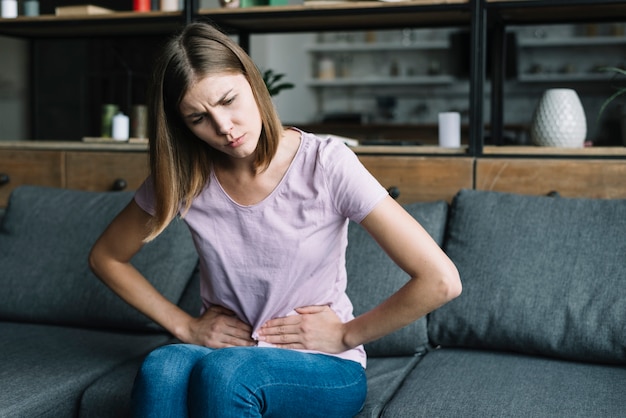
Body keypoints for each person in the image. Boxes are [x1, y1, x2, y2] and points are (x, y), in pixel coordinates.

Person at [89, 21, 461, 418]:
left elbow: (441, 280)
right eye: (198, 118)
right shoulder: (185, 177)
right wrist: (185, 326)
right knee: (161, 368)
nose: (223, 127)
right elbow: (106, 256)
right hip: (231, 354)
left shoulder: (326, 163)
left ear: (252, 81)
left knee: (227, 374)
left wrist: (344, 334)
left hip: (323, 365)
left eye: (228, 99)